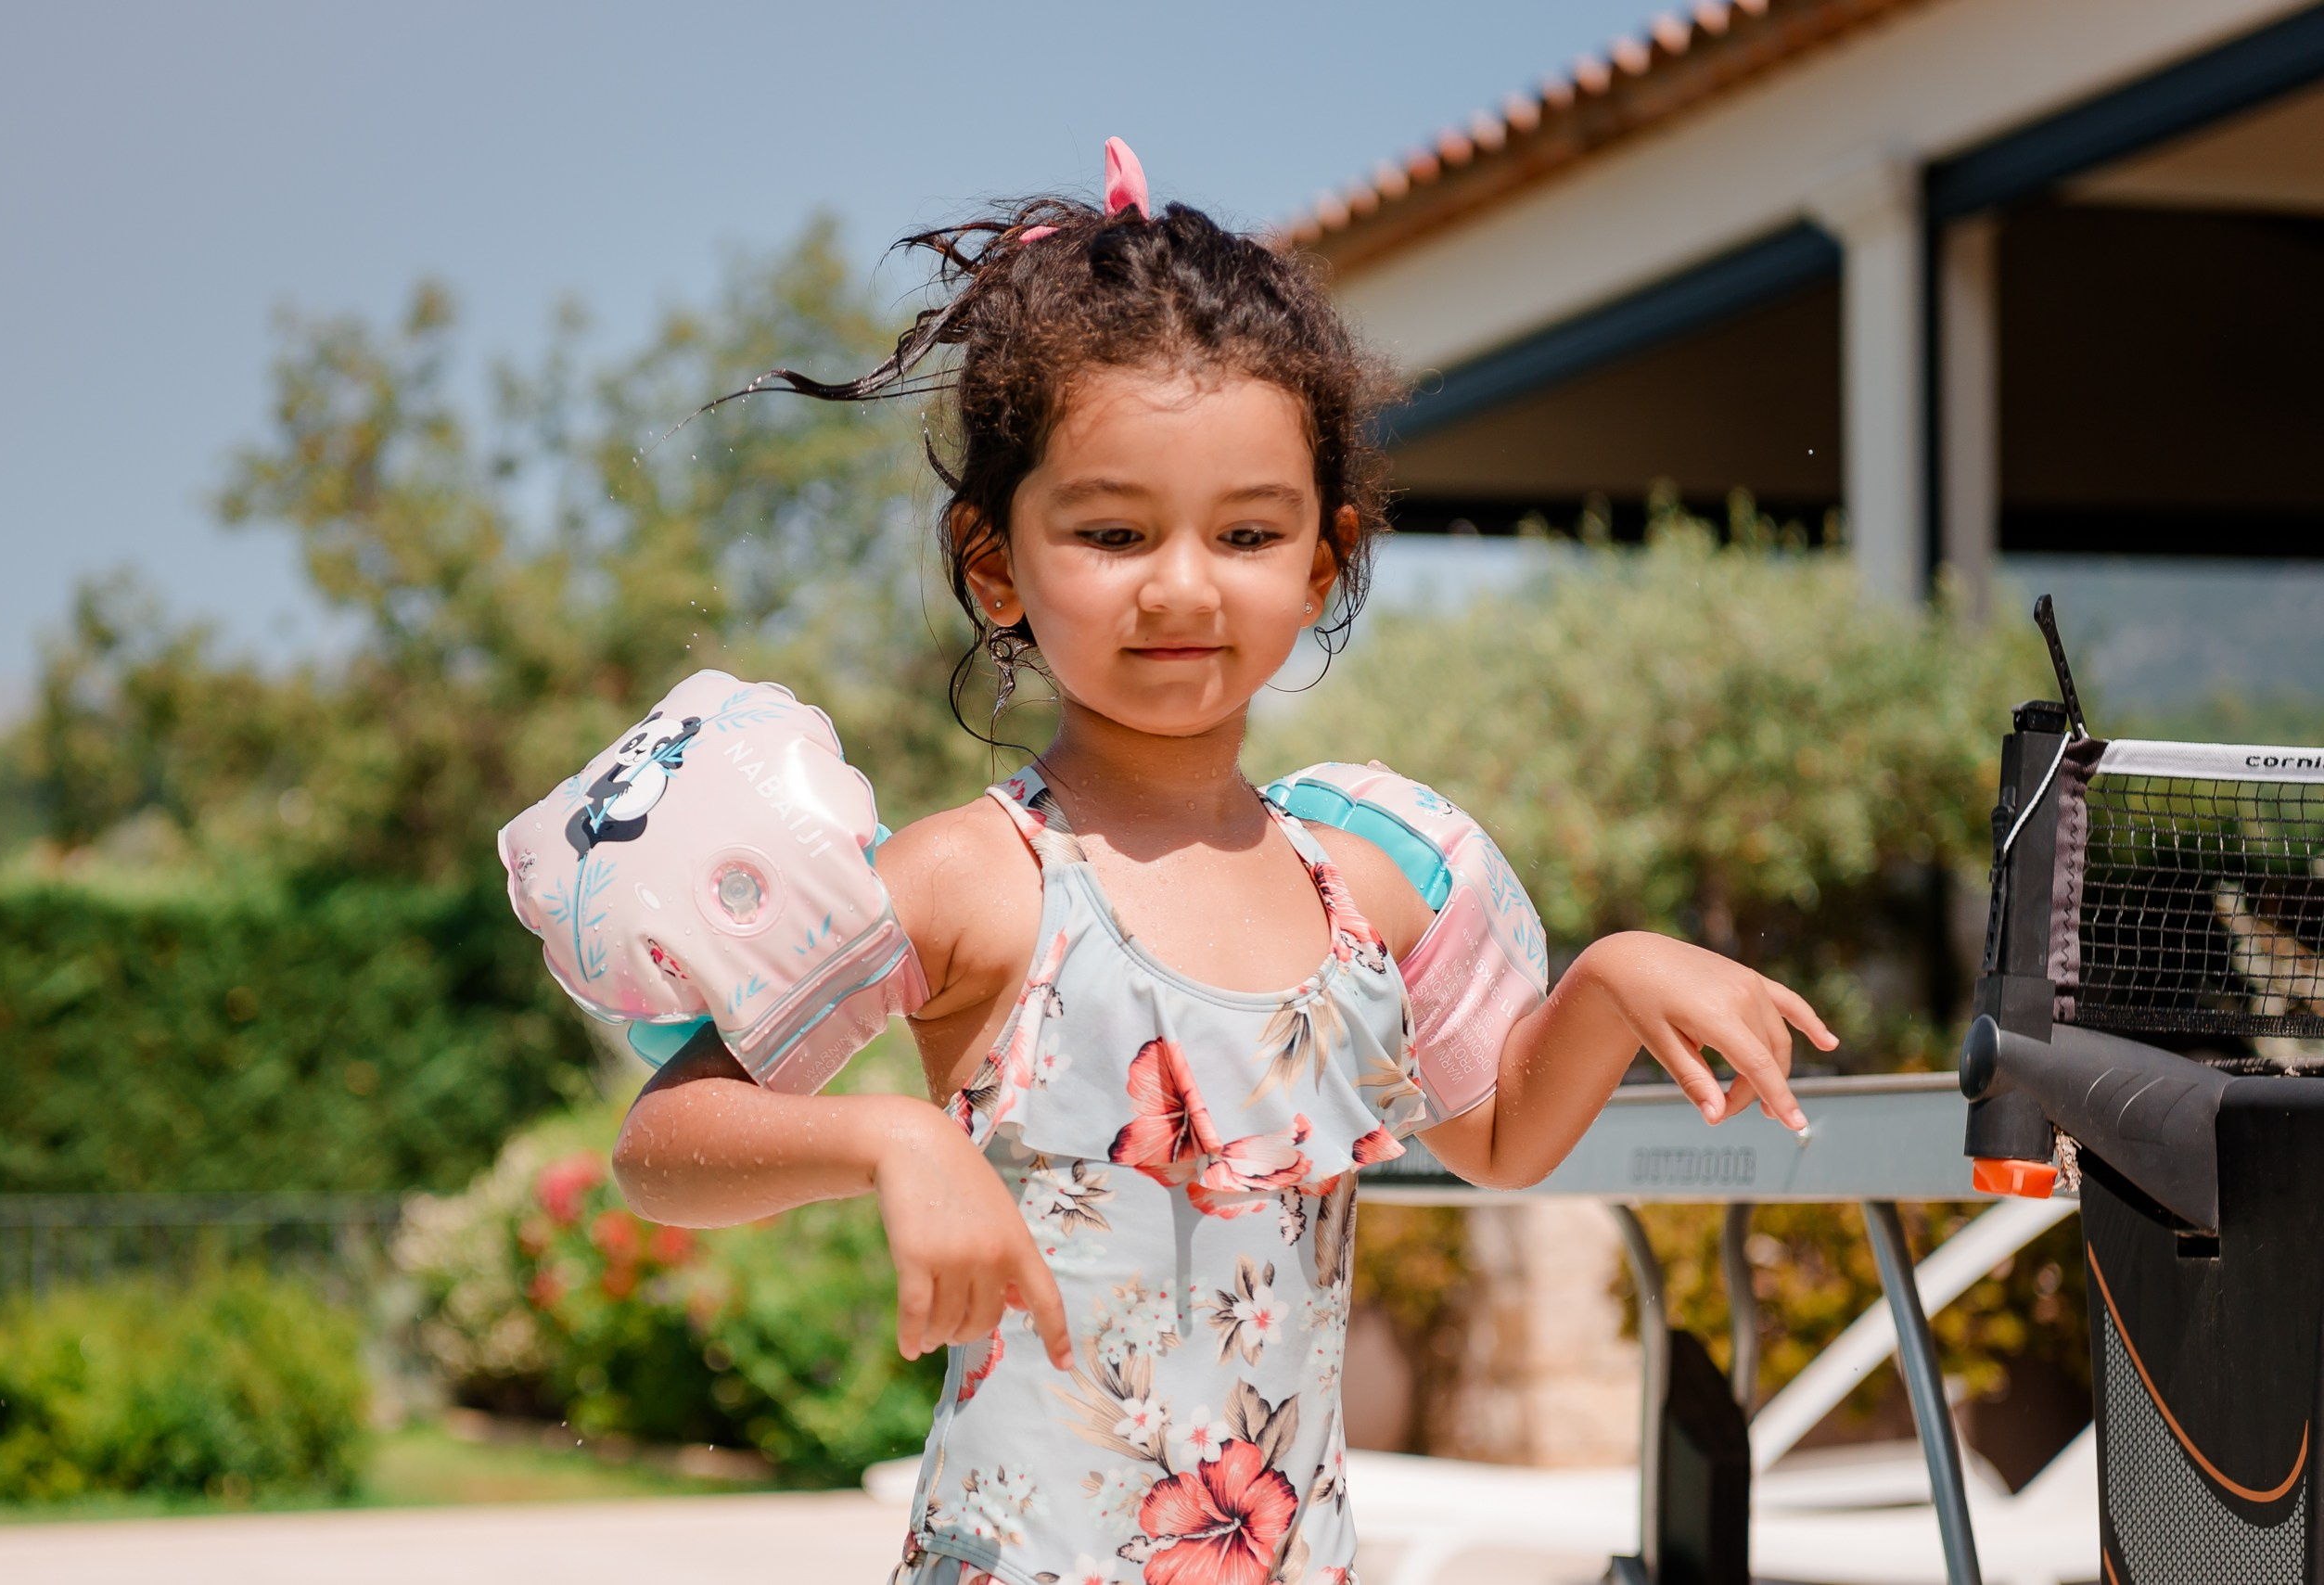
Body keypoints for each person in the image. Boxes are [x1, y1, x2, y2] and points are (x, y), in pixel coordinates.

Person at [606, 140, 1833, 1585]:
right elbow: (662, 1149)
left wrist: (1617, 978)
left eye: (1248, 531)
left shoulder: (1360, 881)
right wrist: (895, 1137)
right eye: (1114, 530)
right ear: (995, 562)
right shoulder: (977, 880)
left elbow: (1499, 1139)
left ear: (1323, 562)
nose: (1184, 583)